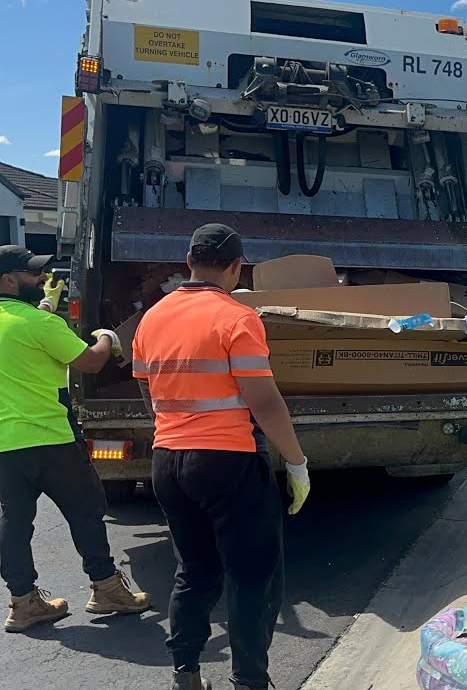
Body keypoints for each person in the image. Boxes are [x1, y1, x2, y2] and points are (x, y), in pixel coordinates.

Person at [132, 224, 311, 690]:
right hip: (226, 462)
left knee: (194, 570)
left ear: (188, 260)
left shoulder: (152, 317)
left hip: (168, 460)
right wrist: (296, 462)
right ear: (235, 267)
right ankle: (249, 681)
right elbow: (264, 401)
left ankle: (186, 674)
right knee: (253, 577)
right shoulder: (236, 317)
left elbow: (145, 385)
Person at [0, 245, 151, 633]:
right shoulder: (40, 325)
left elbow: (22, 336)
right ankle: (105, 589)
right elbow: (91, 361)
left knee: (14, 523)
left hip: (5, 446)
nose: (41, 280)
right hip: (50, 438)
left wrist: (46, 308)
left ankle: (22, 602)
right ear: (8, 280)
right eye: (32, 274)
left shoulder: (29, 322)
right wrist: (107, 338)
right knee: (86, 510)